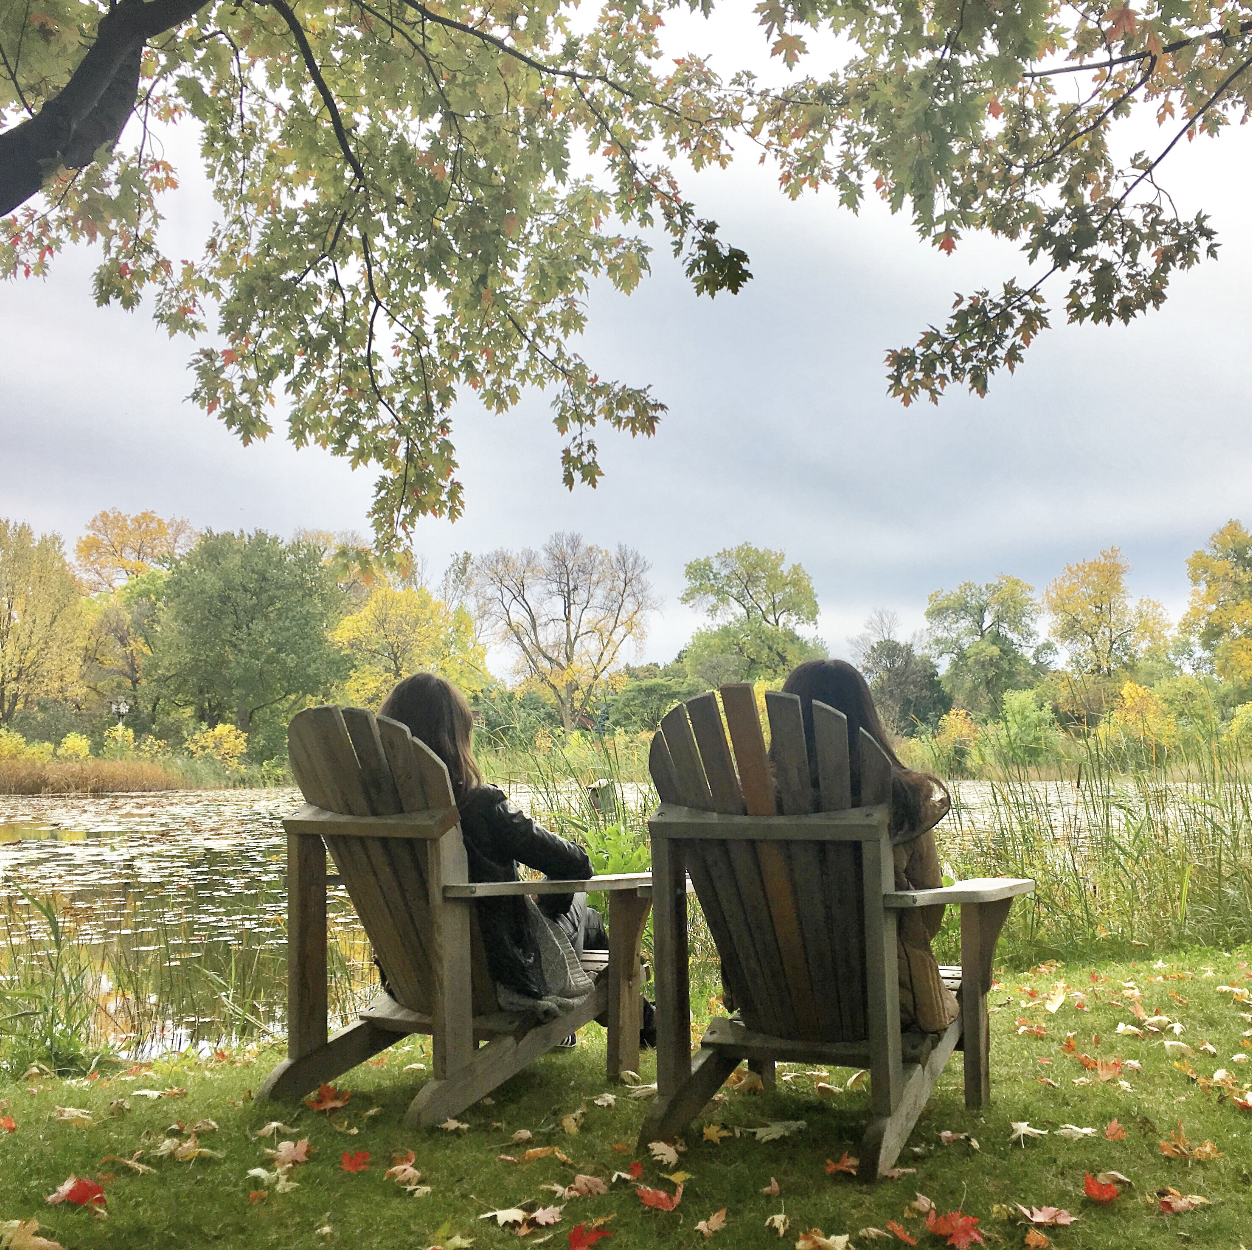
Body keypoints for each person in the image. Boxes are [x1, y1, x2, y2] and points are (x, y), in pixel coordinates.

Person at [377, 673, 656, 1046]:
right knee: (585, 914)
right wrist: (543, 900)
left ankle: (636, 1026)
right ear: (456, 735)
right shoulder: (480, 806)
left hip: (412, 978)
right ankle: (646, 1029)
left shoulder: (375, 813)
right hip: (499, 977)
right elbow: (576, 865)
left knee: (579, 919)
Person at [779, 659, 959, 1035]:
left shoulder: (752, 800)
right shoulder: (902, 797)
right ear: (866, 717)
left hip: (773, 995)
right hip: (891, 999)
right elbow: (930, 912)